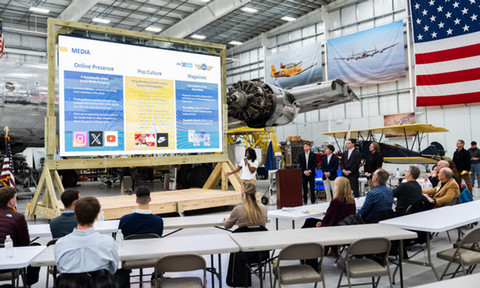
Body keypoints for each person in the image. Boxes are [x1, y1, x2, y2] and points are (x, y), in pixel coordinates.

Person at [54, 196, 119, 275]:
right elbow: (113, 269)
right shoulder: (108, 242)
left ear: (76, 215)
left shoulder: (61, 243)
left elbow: (60, 268)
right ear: (96, 216)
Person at [0, 187, 40, 285]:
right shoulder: (18, 217)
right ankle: (29, 281)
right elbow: (25, 243)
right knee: (36, 246)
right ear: (11, 202)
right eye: (15, 198)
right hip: (11, 262)